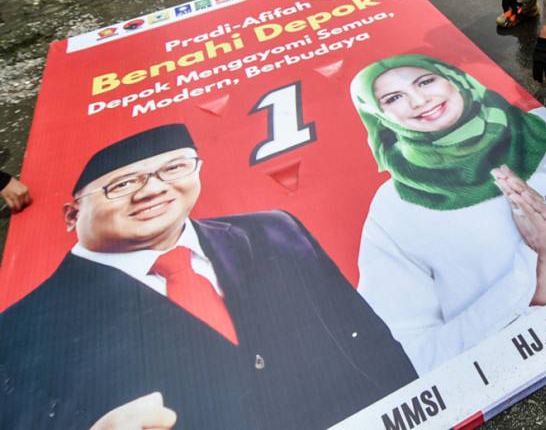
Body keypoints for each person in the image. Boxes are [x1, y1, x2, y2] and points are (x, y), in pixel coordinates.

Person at [0, 123, 416, 430]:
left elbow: (363, 334)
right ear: (73, 215)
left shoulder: (272, 229)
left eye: (174, 168)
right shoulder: (25, 326)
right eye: (123, 184)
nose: (152, 190)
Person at [350, 54, 546, 373]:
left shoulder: (539, 135)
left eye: (426, 81)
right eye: (394, 98)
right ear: (378, 116)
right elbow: (410, 357)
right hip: (540, 373)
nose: (419, 100)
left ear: (454, 78)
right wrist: (541, 274)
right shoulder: (394, 210)